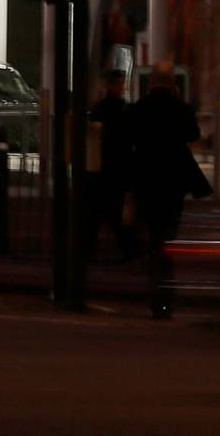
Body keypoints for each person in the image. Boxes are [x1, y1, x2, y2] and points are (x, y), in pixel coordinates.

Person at [124, 61, 208, 317]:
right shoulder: (181, 108)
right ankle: (166, 291)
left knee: (153, 235)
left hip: (146, 178)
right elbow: (193, 135)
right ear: (172, 83)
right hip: (173, 180)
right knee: (168, 234)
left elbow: (128, 139)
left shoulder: (138, 109)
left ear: (151, 83)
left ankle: (156, 291)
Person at [86, 67, 133, 260]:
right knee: (115, 211)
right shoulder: (123, 108)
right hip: (117, 166)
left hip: (101, 166)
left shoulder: (99, 108)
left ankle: (89, 250)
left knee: (97, 212)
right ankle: (129, 251)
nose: (123, 87)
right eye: (121, 84)